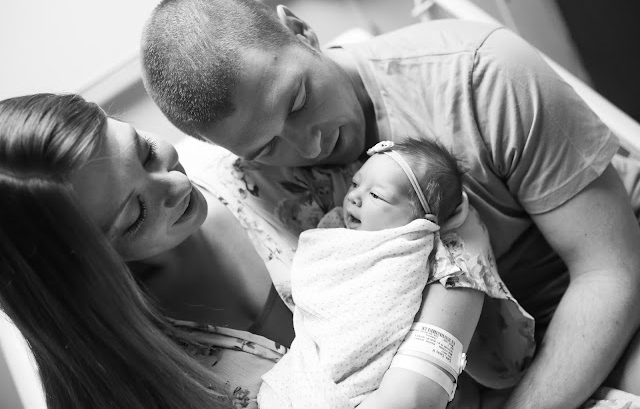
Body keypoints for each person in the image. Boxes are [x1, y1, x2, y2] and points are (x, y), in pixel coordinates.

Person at [140, 0, 640, 406]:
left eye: (298, 102)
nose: (309, 145)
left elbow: (611, 274)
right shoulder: (253, 192)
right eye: (267, 146)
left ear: (300, 30)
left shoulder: (480, 74)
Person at [0, 93, 505, 408]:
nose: (177, 184)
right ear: (86, 270)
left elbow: (446, 229)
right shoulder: (126, 384)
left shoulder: (254, 173)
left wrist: (420, 381)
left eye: (146, 151)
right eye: (135, 214)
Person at [258, 137, 534, 408]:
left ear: (420, 223)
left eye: (376, 195)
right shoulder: (337, 231)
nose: (354, 197)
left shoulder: (410, 253)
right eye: (355, 184)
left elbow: (378, 319)